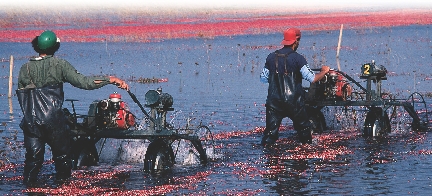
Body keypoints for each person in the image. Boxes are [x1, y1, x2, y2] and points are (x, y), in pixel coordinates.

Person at [16, 30, 129, 184]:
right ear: (55, 47)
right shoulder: (59, 65)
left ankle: (27, 190)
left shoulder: (25, 68)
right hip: (53, 122)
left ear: (37, 45)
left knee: (32, 161)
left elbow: (22, 96)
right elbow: (84, 82)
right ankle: (62, 187)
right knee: (62, 160)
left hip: (31, 123)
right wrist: (110, 79)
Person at [260, 28, 330, 146]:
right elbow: (312, 78)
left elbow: (263, 78)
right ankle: (304, 157)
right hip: (294, 102)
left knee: (270, 134)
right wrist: (324, 71)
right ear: (296, 41)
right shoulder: (298, 58)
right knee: (304, 131)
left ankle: (266, 158)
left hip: (274, 103)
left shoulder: (271, 57)